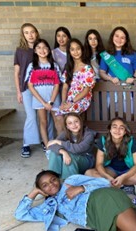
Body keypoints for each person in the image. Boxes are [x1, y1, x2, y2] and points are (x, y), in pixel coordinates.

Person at [85, 117, 136, 195]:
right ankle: (124, 187)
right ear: (110, 129)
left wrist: (124, 177)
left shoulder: (132, 141)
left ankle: (109, 185)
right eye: (114, 127)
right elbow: (99, 164)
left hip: (127, 170)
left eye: (121, 128)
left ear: (125, 132)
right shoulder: (103, 140)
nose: (117, 130)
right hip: (111, 170)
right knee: (89, 173)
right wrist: (107, 176)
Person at [26, 39, 64, 148]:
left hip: (53, 99)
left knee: (59, 120)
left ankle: (59, 144)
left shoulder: (54, 66)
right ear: (35, 51)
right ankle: (47, 146)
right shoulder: (32, 66)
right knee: (43, 122)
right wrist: (43, 103)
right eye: (39, 47)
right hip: (39, 100)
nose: (42, 50)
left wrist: (51, 101)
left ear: (48, 50)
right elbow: (30, 86)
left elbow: (57, 84)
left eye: (45, 47)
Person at [14, 23, 41, 158]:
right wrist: (18, 91)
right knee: (31, 116)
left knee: (44, 116)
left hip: (42, 87)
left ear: (36, 33)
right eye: (26, 32)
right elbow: (17, 73)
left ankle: (44, 140)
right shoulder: (20, 51)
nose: (30, 35)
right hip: (26, 88)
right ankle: (26, 143)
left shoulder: (41, 48)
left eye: (32, 32)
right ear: (23, 35)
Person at [47, 113, 96, 179]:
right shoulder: (65, 133)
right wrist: (63, 152)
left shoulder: (89, 134)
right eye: (70, 123)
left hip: (86, 160)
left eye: (76, 121)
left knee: (70, 156)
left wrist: (59, 142)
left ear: (80, 122)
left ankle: (69, 182)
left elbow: (78, 149)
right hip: (72, 157)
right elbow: (51, 145)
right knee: (55, 152)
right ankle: (52, 178)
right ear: (67, 126)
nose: (74, 125)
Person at [58, 38, 95, 115]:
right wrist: (63, 102)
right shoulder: (69, 67)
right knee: (59, 115)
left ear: (82, 50)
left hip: (82, 99)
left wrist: (71, 102)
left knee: (70, 114)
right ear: (69, 52)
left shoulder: (87, 68)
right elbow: (65, 87)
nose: (76, 52)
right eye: (72, 49)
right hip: (70, 99)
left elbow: (86, 90)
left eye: (78, 49)